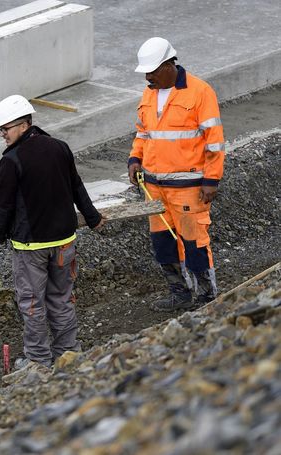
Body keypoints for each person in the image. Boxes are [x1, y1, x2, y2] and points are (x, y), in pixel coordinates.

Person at [0, 95, 105, 369]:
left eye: (6, 128)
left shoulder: (11, 161)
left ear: (24, 125)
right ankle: (68, 354)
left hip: (31, 248)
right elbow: (77, 188)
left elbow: (2, 205)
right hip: (64, 243)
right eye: (1, 130)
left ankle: (38, 361)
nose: (2, 134)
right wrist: (93, 218)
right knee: (62, 299)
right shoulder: (60, 148)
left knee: (32, 304)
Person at [129, 37, 225, 311]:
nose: (148, 77)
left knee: (194, 242)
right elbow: (143, 132)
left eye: (152, 71)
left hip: (188, 187)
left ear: (170, 64)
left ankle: (206, 297)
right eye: (146, 72)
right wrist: (135, 158)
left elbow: (214, 142)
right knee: (163, 244)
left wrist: (211, 179)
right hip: (154, 187)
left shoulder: (199, 92)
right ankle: (180, 294)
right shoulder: (150, 93)